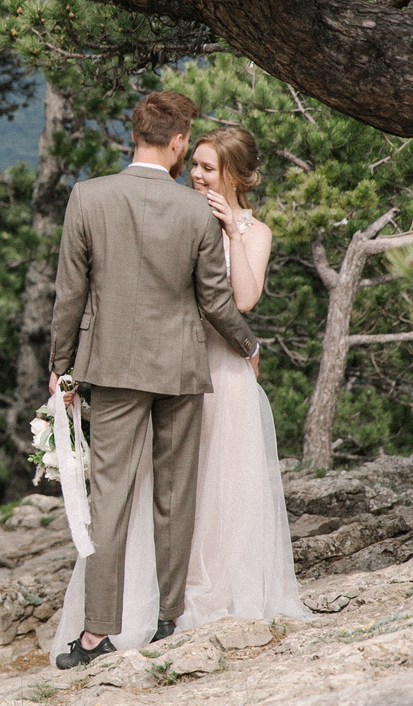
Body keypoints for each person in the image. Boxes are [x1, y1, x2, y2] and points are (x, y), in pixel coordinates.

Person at [45, 91, 257, 670]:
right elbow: (216, 300)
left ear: (133, 132)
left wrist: (60, 366)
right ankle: (169, 619)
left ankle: (95, 637)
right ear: (178, 141)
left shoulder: (88, 197)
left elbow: (70, 294)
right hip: (181, 368)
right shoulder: (197, 210)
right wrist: (249, 345)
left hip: (111, 368)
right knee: (174, 494)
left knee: (109, 498)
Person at [176, 125, 310, 628]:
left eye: (207, 167)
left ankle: (226, 584)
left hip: (225, 367)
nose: (196, 174)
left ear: (234, 176)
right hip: (181, 359)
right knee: (184, 476)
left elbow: (245, 298)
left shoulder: (257, 232)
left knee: (225, 478)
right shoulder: (183, 216)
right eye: (194, 164)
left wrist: (232, 230)